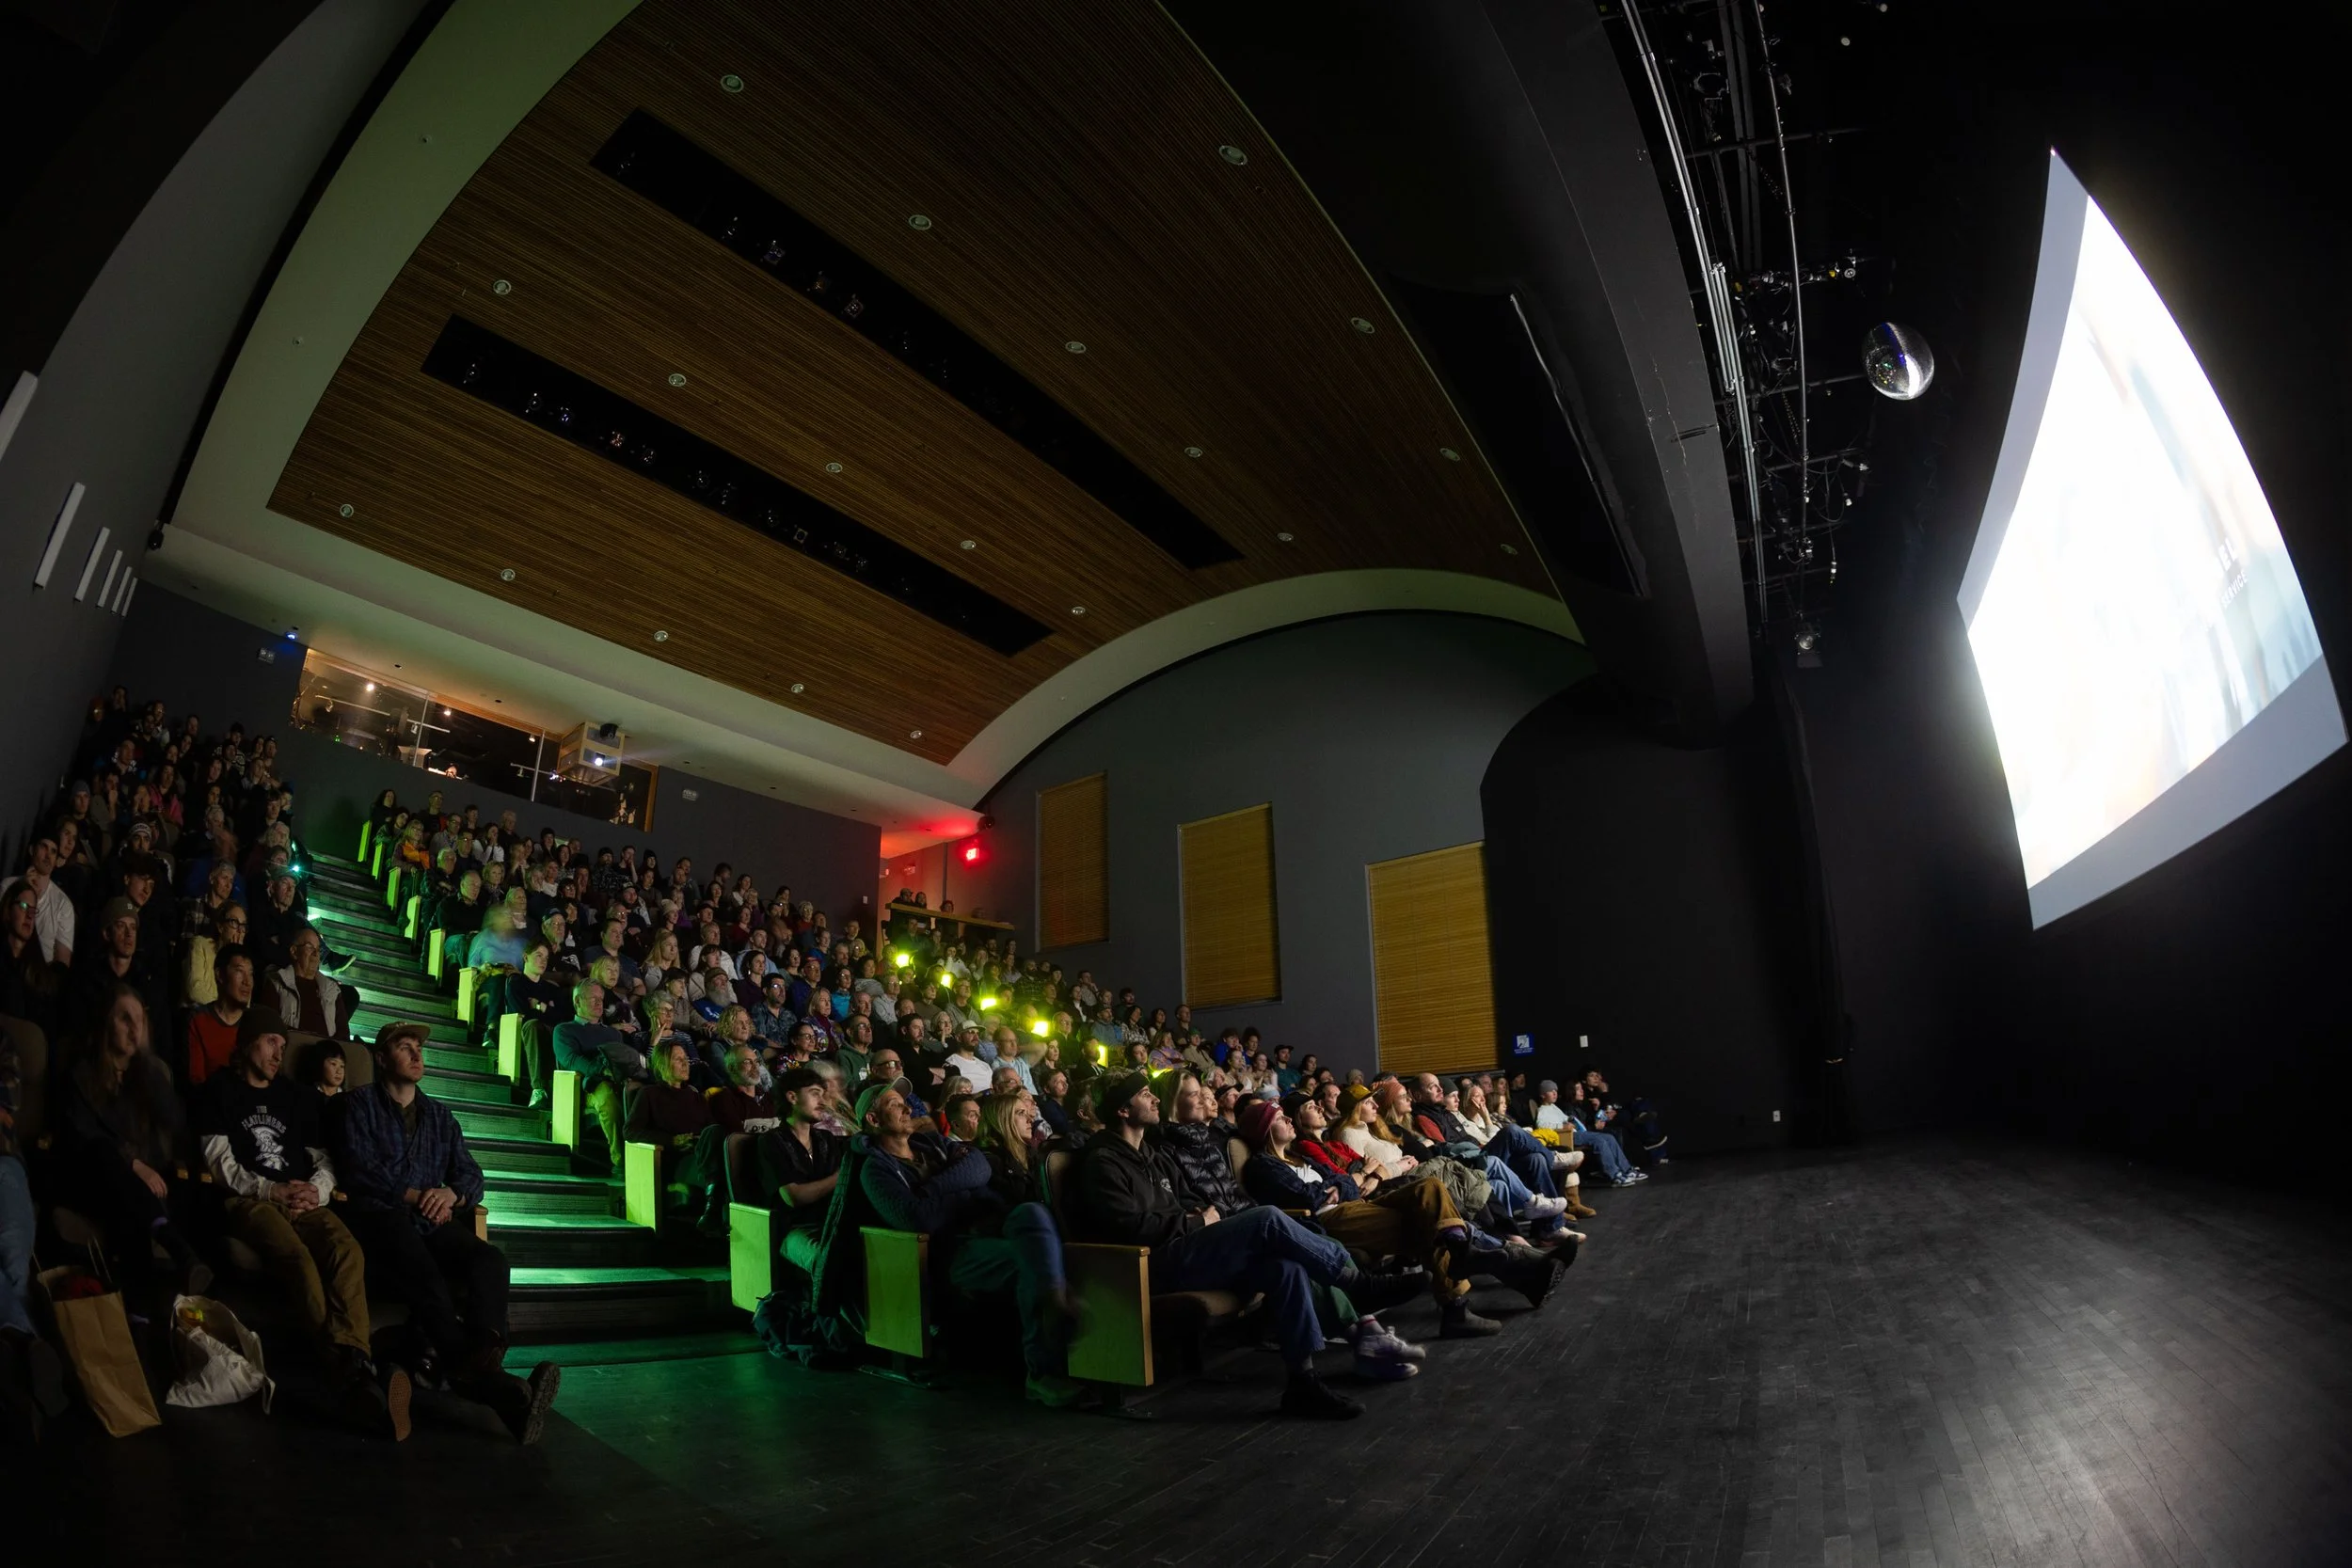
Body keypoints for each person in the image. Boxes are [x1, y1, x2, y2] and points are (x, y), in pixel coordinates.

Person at [1071, 1071, 1423, 1419]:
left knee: (1285, 1268)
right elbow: (1131, 1228)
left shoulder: (1150, 1154)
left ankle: (1303, 1382)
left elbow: (1190, 1199)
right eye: (1144, 1094)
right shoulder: (1103, 1161)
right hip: (1148, 1265)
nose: (1154, 1099)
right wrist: (1196, 1222)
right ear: (1122, 1110)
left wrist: (1201, 1215)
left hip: (1187, 1248)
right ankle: (1355, 1284)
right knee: (1266, 1217)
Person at [331, 1022, 560, 1443]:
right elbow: (359, 1172)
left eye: (418, 1047)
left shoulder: (439, 1116)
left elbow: (472, 1175)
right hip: (381, 1221)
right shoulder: (358, 1105)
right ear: (381, 1059)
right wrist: (417, 1195)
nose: (416, 1054)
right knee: (423, 1268)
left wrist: (451, 1194)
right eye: (404, 1047)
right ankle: (489, 1383)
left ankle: (483, 1368)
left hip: (430, 1222)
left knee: (490, 1260)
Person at [198, 1012, 394, 1434]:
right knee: (298, 1259)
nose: (278, 1053)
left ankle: (354, 1361)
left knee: (347, 1250)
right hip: (251, 1200)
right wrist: (270, 1190)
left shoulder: (295, 1096)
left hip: (303, 1198)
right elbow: (218, 1161)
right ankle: (347, 1371)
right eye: (271, 1042)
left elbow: (324, 1159)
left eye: (283, 1047)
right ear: (247, 1042)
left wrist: (316, 1191)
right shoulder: (219, 1089)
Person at [845, 1082, 1087, 1408]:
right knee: (1033, 1260)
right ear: (873, 1120)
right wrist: (962, 1191)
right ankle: (1044, 1367)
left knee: (1033, 1212)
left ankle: (1054, 1298)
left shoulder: (932, 1145)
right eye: (894, 1104)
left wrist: (932, 1190)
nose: (908, 1108)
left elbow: (979, 1167)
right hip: (950, 1252)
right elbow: (916, 1219)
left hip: (986, 1228)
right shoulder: (876, 1169)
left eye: (905, 1102)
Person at [1238, 1101, 1565, 1327]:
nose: (1288, 1120)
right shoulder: (1263, 1167)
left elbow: (1342, 1180)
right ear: (1264, 1129)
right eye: (1279, 1118)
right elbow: (1311, 1195)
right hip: (1328, 1220)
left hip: (1356, 1203)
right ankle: (1472, 1297)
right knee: (1432, 1224)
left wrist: (1346, 1183)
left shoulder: (1300, 1158)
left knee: (1431, 1188)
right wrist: (1348, 1182)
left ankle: (1476, 1262)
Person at [49, 984, 207, 1300]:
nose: (134, 1028)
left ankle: (139, 1318)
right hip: (87, 1180)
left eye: (140, 1020)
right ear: (106, 1022)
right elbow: (80, 1137)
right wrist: (134, 1165)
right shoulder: (82, 1072)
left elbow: (175, 1121)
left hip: (137, 1192)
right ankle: (177, 1247)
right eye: (125, 1019)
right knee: (106, 1155)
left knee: (133, 1211)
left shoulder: (148, 1074)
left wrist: (147, 1055)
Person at [625, 1038, 725, 1228]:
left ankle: (716, 1207)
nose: (685, 1063)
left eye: (686, 1058)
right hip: (677, 1160)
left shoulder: (695, 1096)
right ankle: (714, 1206)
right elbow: (630, 1131)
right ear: (662, 1064)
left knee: (719, 1135)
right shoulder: (649, 1094)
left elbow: (712, 1131)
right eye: (678, 1059)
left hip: (700, 1154)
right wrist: (672, 1141)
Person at [756, 1066, 846, 1277]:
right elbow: (793, 1196)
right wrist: (839, 1178)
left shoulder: (827, 1139)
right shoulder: (772, 1141)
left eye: (823, 1095)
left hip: (829, 1224)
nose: (823, 1102)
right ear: (792, 1097)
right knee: (827, 1261)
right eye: (815, 1094)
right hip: (793, 1229)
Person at [551, 978, 646, 1169]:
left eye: (601, 999)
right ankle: (620, 1160)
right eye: (592, 998)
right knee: (606, 1094)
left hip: (618, 1081)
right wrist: (603, 1071)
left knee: (643, 1092)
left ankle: (644, 1156)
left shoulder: (613, 1034)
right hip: (588, 1087)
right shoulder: (564, 1030)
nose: (598, 1003)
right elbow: (571, 1060)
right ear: (577, 1001)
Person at [184, 942, 257, 1086]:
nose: (247, 982)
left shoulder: (256, 1022)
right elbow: (195, 1083)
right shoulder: (198, 1020)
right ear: (220, 975)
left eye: (250, 974)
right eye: (239, 971)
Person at [266, 925, 349, 1040]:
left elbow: (343, 1035)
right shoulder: (277, 983)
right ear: (294, 952)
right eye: (310, 947)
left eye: (318, 949)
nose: (316, 954)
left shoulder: (332, 990)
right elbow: (270, 1026)